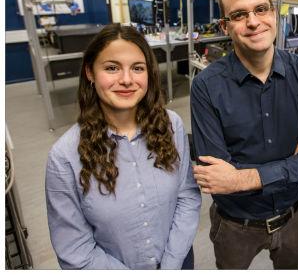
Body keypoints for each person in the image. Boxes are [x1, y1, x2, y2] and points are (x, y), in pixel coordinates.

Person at [190, 0, 298, 269]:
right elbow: (217, 177)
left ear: (274, 13)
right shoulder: (206, 86)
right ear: (225, 26)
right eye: (239, 15)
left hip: (294, 217)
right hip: (236, 225)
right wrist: (292, 164)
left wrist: (242, 178)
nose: (253, 22)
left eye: (261, 9)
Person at [45, 24, 201, 269]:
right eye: (111, 68)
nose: (127, 80)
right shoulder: (64, 157)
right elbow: (74, 248)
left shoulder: (172, 125)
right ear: (90, 72)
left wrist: (171, 265)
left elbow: (187, 197)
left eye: (137, 68)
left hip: (179, 263)